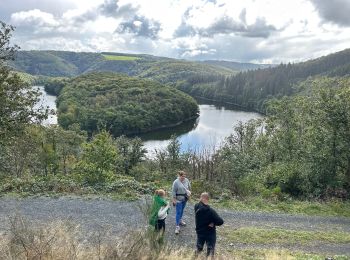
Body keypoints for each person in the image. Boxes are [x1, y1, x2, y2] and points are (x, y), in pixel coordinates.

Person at [194, 192, 224, 257]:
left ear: (202, 198)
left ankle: (196, 257)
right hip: (209, 233)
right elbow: (221, 221)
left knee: (199, 247)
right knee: (210, 249)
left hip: (200, 231)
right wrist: (214, 222)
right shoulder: (211, 211)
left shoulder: (196, 206)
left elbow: (201, 206)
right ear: (207, 199)